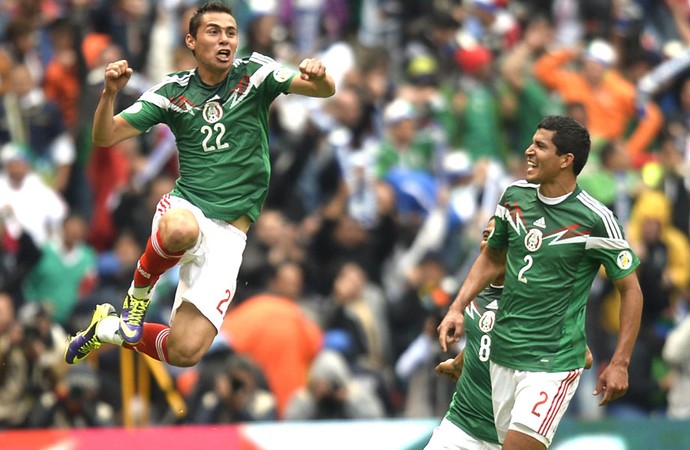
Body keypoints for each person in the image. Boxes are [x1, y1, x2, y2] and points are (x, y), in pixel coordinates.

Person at [64, 1, 335, 368]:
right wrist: (109, 93)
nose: (225, 40)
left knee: (185, 352)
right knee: (180, 229)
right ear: (191, 41)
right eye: (213, 32)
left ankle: (108, 329)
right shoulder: (172, 92)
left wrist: (319, 76)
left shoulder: (255, 73)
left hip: (230, 235)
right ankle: (136, 299)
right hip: (189, 206)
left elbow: (323, 91)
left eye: (231, 32)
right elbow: (105, 135)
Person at [437, 115, 643, 450]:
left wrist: (620, 362)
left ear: (566, 160)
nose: (528, 151)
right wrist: (456, 309)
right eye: (532, 143)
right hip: (503, 358)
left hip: (551, 365)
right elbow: (491, 258)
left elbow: (630, 290)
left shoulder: (596, 219)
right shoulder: (514, 197)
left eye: (540, 146)